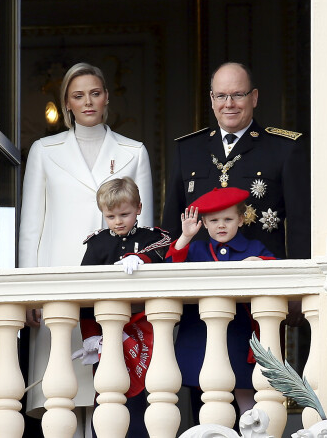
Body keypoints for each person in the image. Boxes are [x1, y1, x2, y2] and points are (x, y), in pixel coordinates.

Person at [18, 62, 154, 430]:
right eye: (78, 95)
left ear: (107, 97)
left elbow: (146, 234)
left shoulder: (133, 151)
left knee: (109, 394)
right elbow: (32, 226)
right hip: (58, 281)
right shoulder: (44, 151)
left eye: (95, 93)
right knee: (61, 396)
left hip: (115, 285)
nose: (88, 101)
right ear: (67, 104)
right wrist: (30, 293)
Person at [162, 62, 310, 260]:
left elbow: (300, 225)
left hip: (263, 278)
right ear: (212, 99)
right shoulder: (188, 149)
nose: (229, 103)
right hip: (199, 279)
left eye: (238, 95)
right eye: (221, 96)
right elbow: (171, 223)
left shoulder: (284, 149)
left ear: (254, 97)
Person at [165, 187, 275, 424]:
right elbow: (170, 266)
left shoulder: (253, 248)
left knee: (245, 390)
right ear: (203, 223)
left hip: (238, 332)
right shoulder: (196, 248)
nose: (221, 225)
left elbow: (275, 267)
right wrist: (185, 236)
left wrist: (259, 262)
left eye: (228, 219)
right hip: (200, 332)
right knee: (204, 394)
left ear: (241, 219)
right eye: (213, 220)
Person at [75, 177, 171, 438]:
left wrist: (141, 258)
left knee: (148, 393)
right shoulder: (97, 244)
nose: (118, 221)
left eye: (125, 214)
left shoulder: (153, 238)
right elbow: (86, 296)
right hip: (107, 332)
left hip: (145, 330)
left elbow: (166, 249)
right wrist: (90, 336)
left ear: (139, 208)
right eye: (110, 216)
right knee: (108, 393)